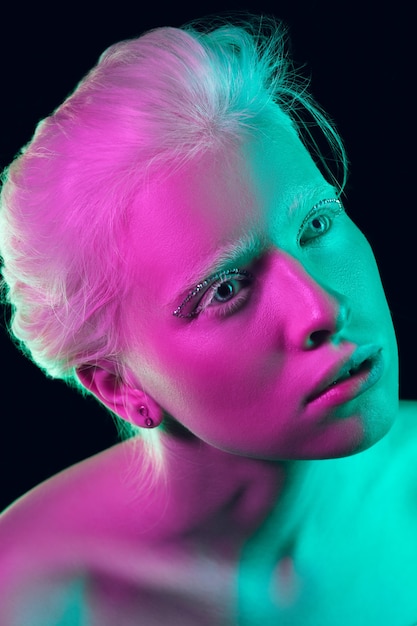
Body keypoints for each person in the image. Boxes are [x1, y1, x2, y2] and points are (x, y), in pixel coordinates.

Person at [0, 15, 416, 625]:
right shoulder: (26, 596)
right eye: (225, 289)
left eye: (317, 224)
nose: (323, 310)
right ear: (119, 387)